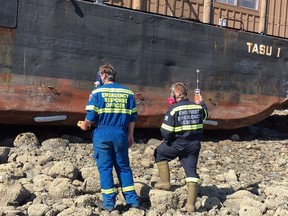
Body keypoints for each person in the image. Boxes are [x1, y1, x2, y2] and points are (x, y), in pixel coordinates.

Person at [78, 63, 139, 211]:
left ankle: (109, 203)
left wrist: (84, 125)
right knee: (124, 167)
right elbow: (132, 117)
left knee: (105, 168)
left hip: (103, 134)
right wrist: (130, 136)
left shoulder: (97, 92)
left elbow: (91, 116)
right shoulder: (128, 93)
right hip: (121, 134)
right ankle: (133, 201)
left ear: (103, 75)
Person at [153, 82, 208, 213]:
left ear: (175, 95)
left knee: (159, 152)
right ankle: (191, 206)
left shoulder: (173, 109)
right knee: (191, 172)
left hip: (177, 143)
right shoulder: (198, 108)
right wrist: (201, 103)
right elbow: (205, 115)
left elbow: (165, 131)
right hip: (194, 145)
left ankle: (165, 182)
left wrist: (167, 141)